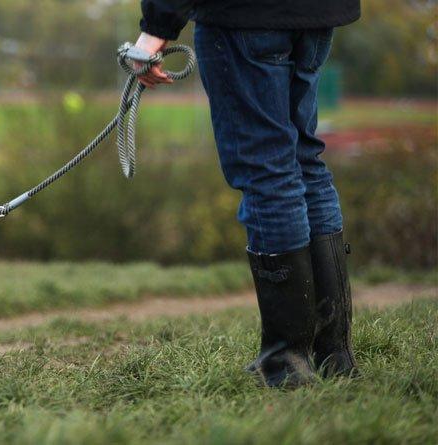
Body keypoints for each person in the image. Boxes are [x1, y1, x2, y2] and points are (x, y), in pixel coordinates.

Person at [134, 0, 360, 388]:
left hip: (244, 17)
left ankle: (287, 362)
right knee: (304, 160)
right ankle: (333, 355)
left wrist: (158, 27)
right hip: (318, 13)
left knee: (267, 170)